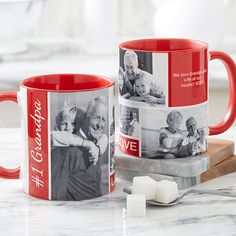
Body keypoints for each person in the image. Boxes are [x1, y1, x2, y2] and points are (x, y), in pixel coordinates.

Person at [51, 96, 109, 200]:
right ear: (86, 118)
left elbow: (104, 138)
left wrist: (98, 148)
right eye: (96, 117)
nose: (100, 125)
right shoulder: (70, 151)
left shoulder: (95, 148)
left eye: (103, 119)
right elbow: (56, 192)